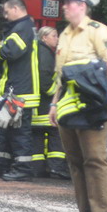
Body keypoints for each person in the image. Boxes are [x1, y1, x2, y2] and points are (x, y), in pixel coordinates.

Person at [48, 0, 107, 212]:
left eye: (68, 4)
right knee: (76, 163)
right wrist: (54, 104)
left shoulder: (98, 31)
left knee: (95, 161)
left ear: (81, 6)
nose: (64, 8)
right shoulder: (65, 34)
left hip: (91, 105)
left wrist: (88, 71)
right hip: (68, 104)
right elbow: (60, 76)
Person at [0, 0, 39, 182]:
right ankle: (1, 167)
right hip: (14, 90)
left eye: (6, 12)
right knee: (4, 131)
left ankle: (23, 169)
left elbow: (10, 53)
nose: (5, 16)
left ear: (16, 9)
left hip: (22, 92)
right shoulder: (20, 28)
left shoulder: (22, 29)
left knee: (19, 134)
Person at [30, 26, 68, 179]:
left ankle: (37, 168)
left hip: (37, 105)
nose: (57, 39)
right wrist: (56, 94)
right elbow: (45, 78)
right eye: (54, 35)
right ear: (44, 38)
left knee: (37, 136)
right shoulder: (45, 54)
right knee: (55, 133)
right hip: (45, 104)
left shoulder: (40, 51)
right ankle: (56, 168)